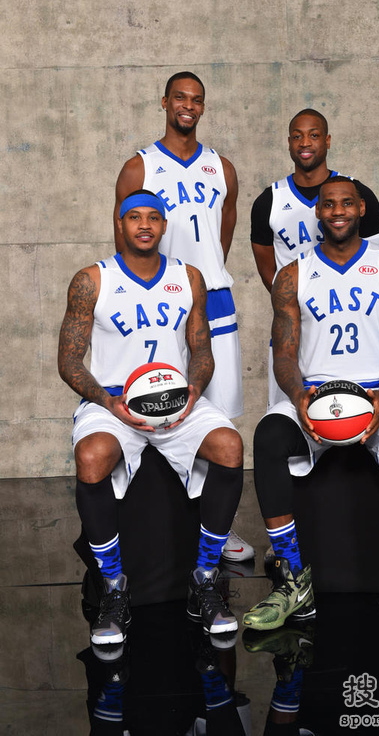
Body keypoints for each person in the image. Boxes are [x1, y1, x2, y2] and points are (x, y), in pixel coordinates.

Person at [243, 176, 379, 638]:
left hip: (377, 390)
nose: (337, 212)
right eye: (329, 204)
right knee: (268, 437)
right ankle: (293, 579)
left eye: (347, 203)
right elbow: (284, 355)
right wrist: (298, 396)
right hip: (317, 395)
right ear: (317, 212)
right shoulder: (291, 275)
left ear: (361, 209)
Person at [58, 190, 244, 644]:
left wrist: (194, 391)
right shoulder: (92, 280)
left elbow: (202, 349)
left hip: (176, 399)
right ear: (120, 223)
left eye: (154, 218)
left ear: (164, 225)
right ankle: (114, 586)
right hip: (115, 401)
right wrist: (108, 402)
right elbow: (69, 360)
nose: (144, 225)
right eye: (134, 217)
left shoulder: (189, 276)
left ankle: (204, 579)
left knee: (230, 446)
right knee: (91, 457)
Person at [114, 71, 253, 562]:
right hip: (162, 305)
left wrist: (204, 275)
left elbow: (224, 231)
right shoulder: (140, 166)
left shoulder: (222, 168)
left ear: (203, 107)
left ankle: (217, 527)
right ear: (165, 102)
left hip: (212, 298)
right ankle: (166, 522)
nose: (187, 106)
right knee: (163, 407)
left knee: (217, 416)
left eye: (196, 99)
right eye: (179, 98)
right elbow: (126, 246)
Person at [251, 108, 379, 408]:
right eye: (297, 136)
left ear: (327, 141)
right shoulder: (268, 201)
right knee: (290, 415)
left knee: (358, 414)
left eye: (313, 135)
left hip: (353, 325)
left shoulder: (357, 194)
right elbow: (267, 270)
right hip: (295, 326)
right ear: (289, 143)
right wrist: (297, 304)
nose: (305, 143)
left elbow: (377, 267)